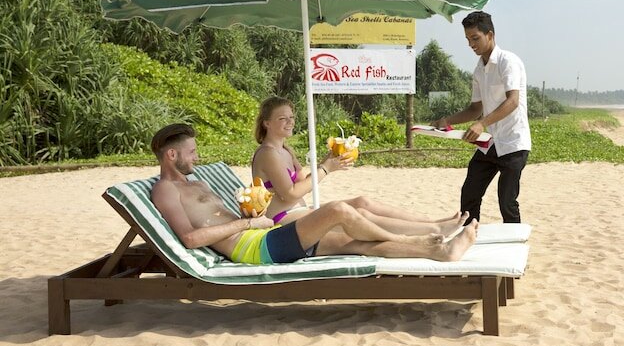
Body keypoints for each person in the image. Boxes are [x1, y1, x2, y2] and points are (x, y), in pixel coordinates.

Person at [149, 123, 477, 265]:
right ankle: (413, 240)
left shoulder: (198, 183)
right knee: (339, 211)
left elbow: (225, 218)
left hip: (263, 236)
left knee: (357, 245)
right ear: (172, 156)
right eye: (191, 153)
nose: (197, 157)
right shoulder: (165, 191)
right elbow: (191, 239)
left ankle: (441, 252)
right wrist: (247, 226)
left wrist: (251, 212)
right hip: (255, 248)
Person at [251, 96, 467, 236]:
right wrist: (326, 168)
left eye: (291, 117)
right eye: (282, 118)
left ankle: (433, 221)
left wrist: (330, 157)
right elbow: (289, 194)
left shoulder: (286, 150)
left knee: (362, 202)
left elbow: (305, 183)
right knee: (362, 215)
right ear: (266, 123)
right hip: (283, 220)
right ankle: (434, 230)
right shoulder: (268, 154)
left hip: (301, 211)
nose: (290, 122)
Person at [432, 11, 531, 224]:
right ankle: (467, 236)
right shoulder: (478, 70)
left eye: (475, 38)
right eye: (468, 39)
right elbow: (475, 109)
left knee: (507, 201)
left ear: (490, 35)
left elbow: (513, 101)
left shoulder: (508, 62)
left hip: (514, 143)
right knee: (469, 194)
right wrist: (446, 121)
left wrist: (482, 124)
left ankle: (513, 247)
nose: (471, 44)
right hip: (491, 143)